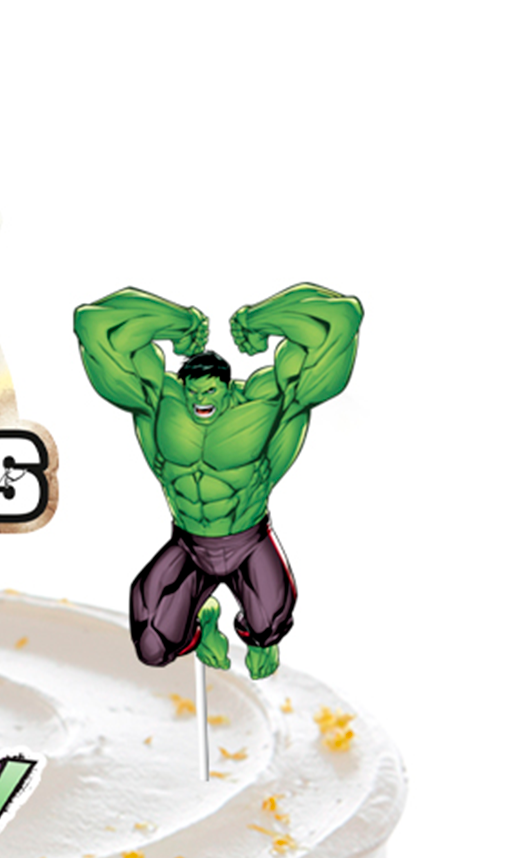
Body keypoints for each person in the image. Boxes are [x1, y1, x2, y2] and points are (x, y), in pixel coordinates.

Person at [72, 284, 362, 677]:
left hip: (249, 539)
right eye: (194, 392)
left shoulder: (266, 402)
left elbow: (342, 317)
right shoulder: (159, 401)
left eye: (210, 391)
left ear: (227, 387)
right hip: (189, 543)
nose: (201, 400)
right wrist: (180, 322)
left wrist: (257, 320)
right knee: (152, 648)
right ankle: (204, 621)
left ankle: (257, 635)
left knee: (268, 628)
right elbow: (91, 323)